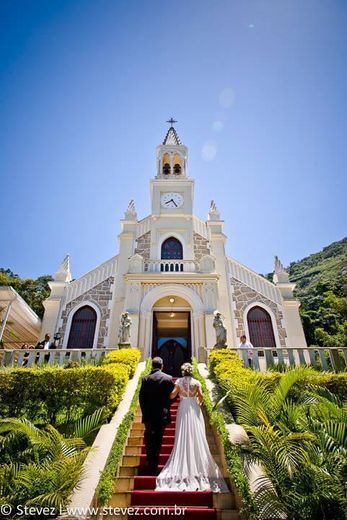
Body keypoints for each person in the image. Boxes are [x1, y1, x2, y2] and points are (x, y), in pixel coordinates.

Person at [156, 362, 228, 492]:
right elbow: (201, 396)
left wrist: (175, 395)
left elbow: (172, 395)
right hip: (194, 408)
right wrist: (198, 402)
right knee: (196, 434)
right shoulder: (196, 382)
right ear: (192, 371)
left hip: (183, 407)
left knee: (182, 434)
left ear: (183, 372)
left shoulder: (179, 381)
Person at [139, 357, 175, 473]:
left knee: (149, 438)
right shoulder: (168, 378)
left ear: (152, 366)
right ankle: (155, 463)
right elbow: (173, 396)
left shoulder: (145, 379)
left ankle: (150, 461)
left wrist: (145, 412)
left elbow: (141, 398)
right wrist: (166, 406)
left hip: (149, 415)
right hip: (161, 415)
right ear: (162, 366)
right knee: (158, 439)